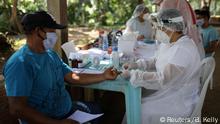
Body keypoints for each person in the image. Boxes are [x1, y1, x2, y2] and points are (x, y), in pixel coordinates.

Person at [3, 11, 119, 124]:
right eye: (51, 31)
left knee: (105, 109)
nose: (55, 35)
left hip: (66, 111)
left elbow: (73, 76)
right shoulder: (20, 63)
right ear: (38, 31)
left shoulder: (50, 54)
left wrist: (103, 75)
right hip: (48, 120)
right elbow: (17, 108)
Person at [121, 9, 201, 124]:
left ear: (171, 28)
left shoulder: (183, 49)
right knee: (136, 103)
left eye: (159, 27)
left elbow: (163, 78)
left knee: (139, 110)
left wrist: (134, 75)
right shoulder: (169, 42)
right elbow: (155, 60)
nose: (156, 30)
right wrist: (136, 64)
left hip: (181, 99)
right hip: (171, 90)